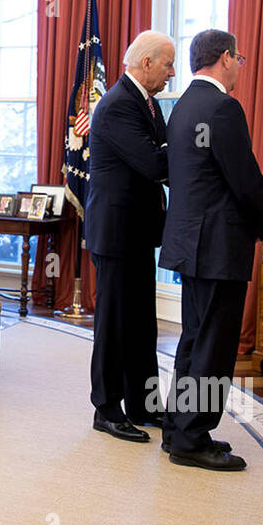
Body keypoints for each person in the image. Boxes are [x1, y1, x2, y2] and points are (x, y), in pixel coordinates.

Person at [159, 30, 263, 471]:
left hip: (191, 243)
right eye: (239, 58)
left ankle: (179, 427)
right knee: (213, 345)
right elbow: (243, 179)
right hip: (219, 246)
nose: (241, 65)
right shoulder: (223, 107)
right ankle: (191, 438)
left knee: (194, 339)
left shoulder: (183, 105)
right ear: (225, 58)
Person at [84, 30, 176, 443]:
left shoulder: (146, 102)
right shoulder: (119, 104)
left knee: (142, 325)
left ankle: (143, 405)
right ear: (146, 64)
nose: (172, 73)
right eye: (168, 64)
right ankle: (106, 408)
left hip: (137, 231)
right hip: (116, 232)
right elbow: (154, 162)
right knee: (115, 324)